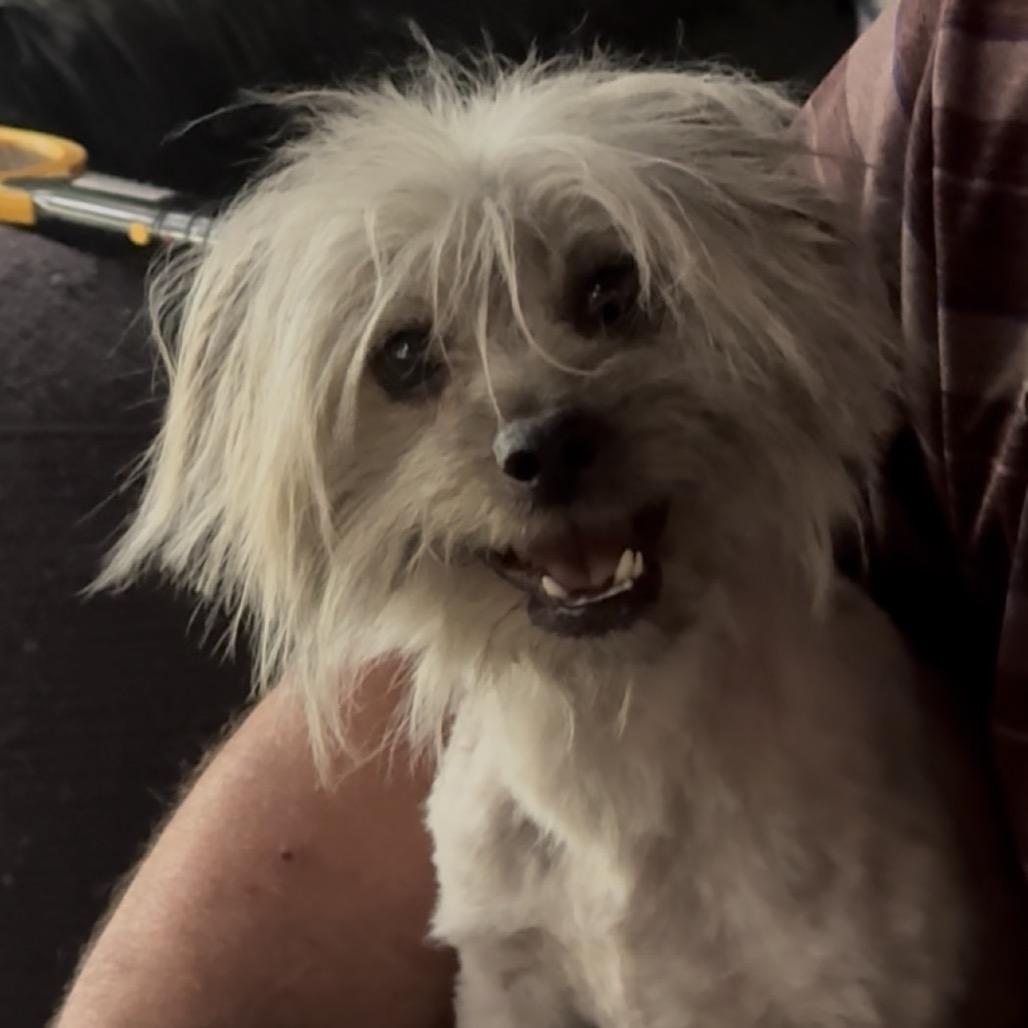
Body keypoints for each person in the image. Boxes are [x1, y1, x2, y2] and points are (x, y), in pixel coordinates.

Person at [54, 0, 1028, 1024]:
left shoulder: (847, 799)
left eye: (609, 301)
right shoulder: (946, 77)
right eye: (410, 363)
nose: (537, 427)